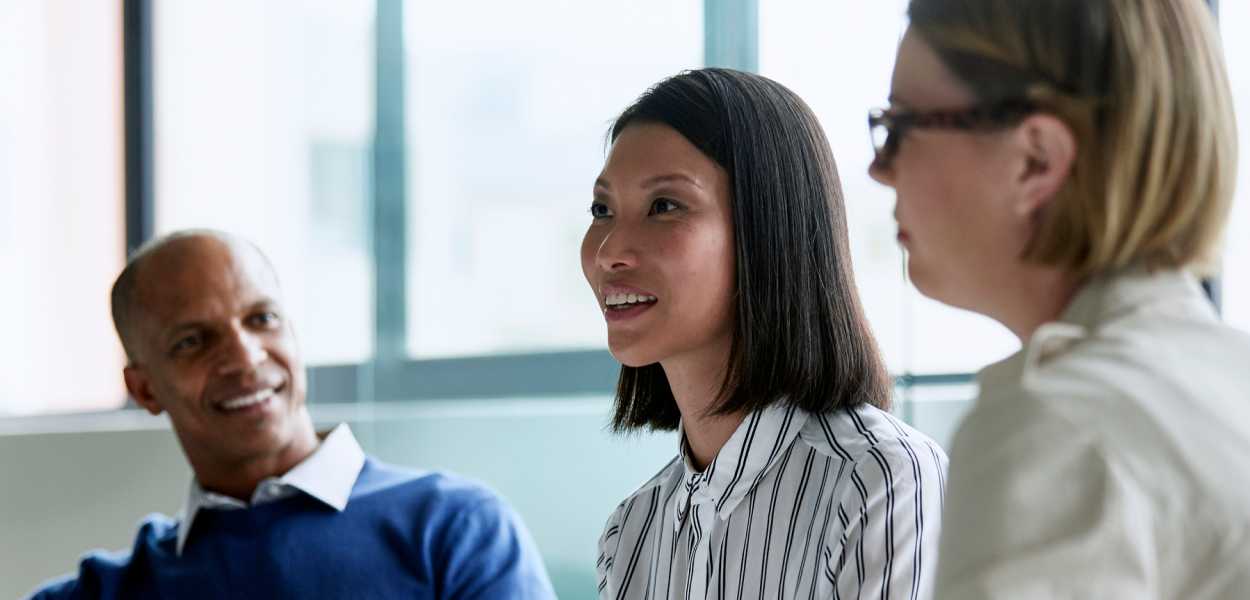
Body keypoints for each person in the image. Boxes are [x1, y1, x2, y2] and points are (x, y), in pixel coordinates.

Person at [868, 0, 1250, 597]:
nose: (878, 169)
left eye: (900, 128)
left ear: (1035, 161)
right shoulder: (1230, 381)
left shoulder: (1056, 428)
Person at [26, 230, 555, 600]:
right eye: (193, 340)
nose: (245, 357)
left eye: (263, 318)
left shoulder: (455, 528)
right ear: (144, 388)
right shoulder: (109, 589)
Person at [587, 68, 948, 600]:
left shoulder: (883, 481)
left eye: (664, 206)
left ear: (769, 229)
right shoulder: (630, 535)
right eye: (602, 210)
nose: (608, 250)